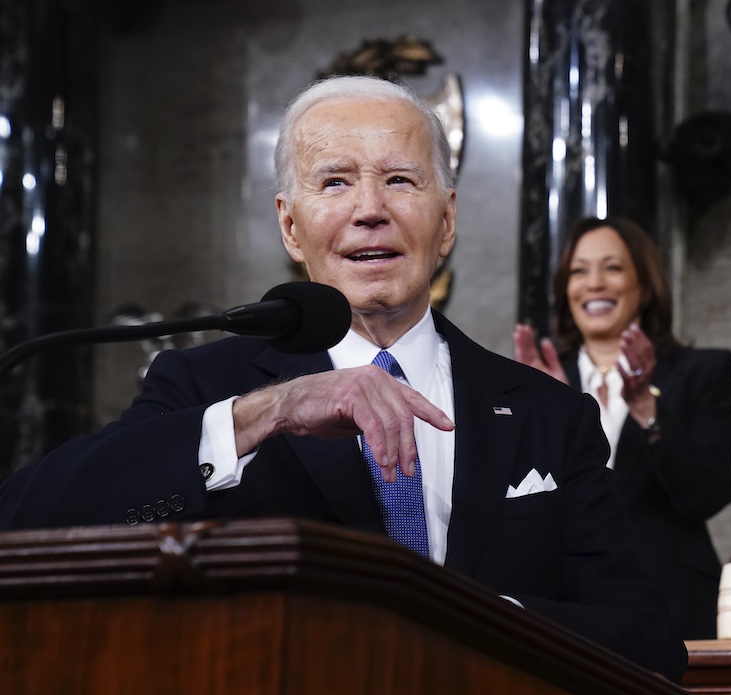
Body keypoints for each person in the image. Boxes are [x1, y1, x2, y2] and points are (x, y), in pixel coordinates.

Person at [0, 75, 687, 680]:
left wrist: (482, 619)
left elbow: (649, 640)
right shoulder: (209, 386)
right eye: (335, 181)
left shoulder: (547, 412)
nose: (370, 209)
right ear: (291, 226)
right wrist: (263, 413)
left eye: (399, 179)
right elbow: (27, 523)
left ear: (446, 221)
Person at [513, 216, 731, 640]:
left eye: (612, 268)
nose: (594, 283)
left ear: (644, 284)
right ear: (566, 290)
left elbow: (707, 495)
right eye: (579, 271)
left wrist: (645, 408)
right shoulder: (537, 381)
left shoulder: (703, 372)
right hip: (564, 608)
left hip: (672, 605)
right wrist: (554, 417)